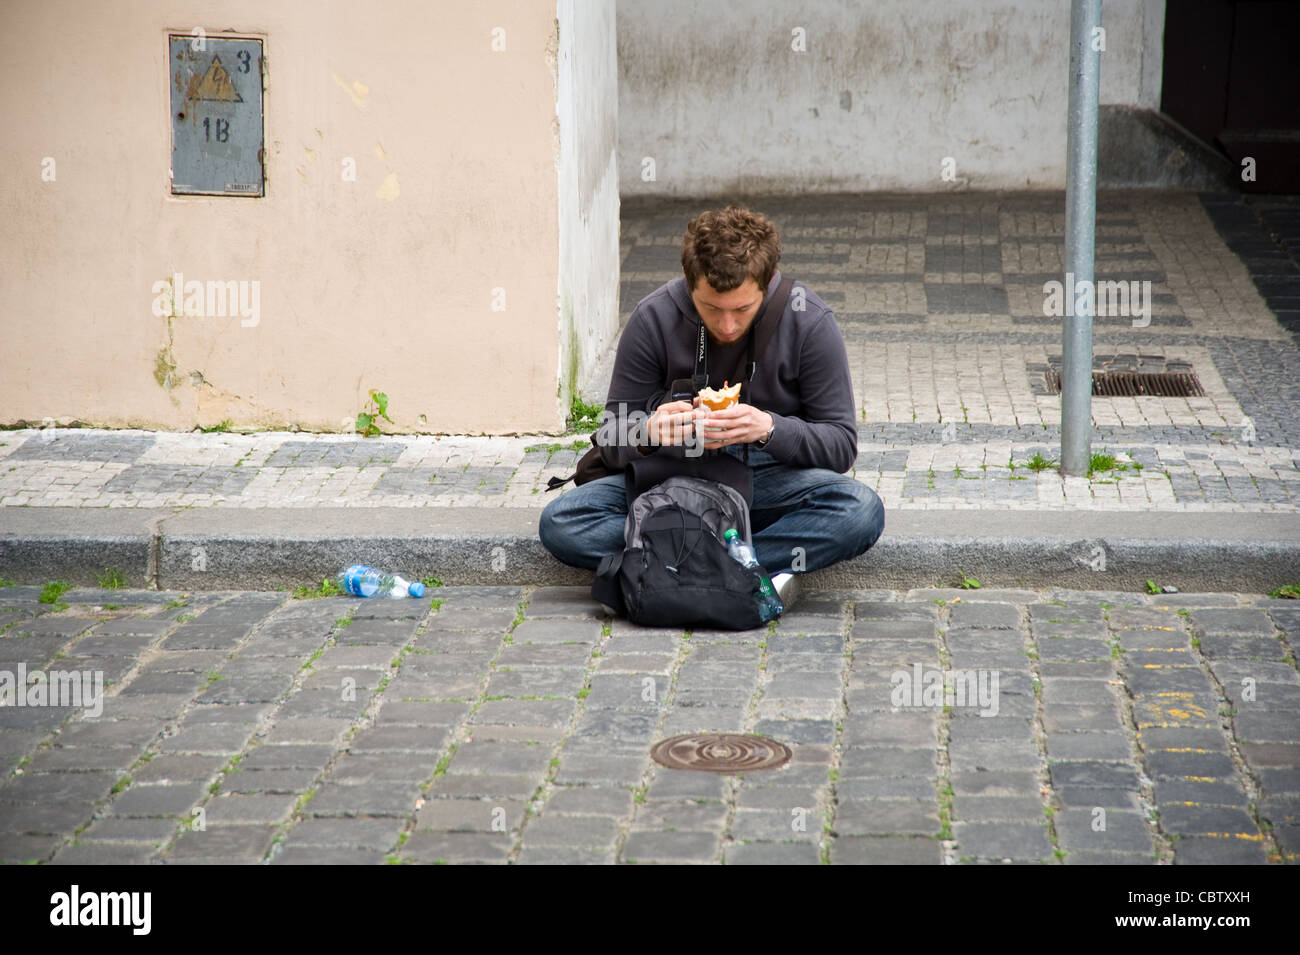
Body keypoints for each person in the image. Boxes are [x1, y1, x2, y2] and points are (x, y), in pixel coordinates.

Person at [539, 205, 884, 591]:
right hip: (672, 480)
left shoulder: (809, 321)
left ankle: (672, 566)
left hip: (766, 479)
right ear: (690, 284)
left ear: (768, 281)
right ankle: (737, 569)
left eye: (742, 309)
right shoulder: (654, 317)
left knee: (860, 510)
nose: (727, 325)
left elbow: (840, 445)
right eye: (711, 308)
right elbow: (610, 437)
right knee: (563, 521)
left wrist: (768, 428)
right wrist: (648, 432)